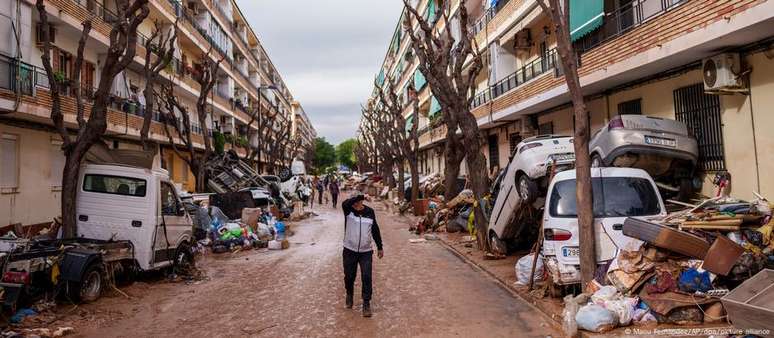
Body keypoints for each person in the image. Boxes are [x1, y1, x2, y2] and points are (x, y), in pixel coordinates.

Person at [341, 193, 383, 317]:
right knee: (349, 276)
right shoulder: (348, 210)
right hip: (349, 250)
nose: (354, 202)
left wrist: (380, 247)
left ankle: (366, 303)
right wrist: (361, 196)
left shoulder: (370, 212)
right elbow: (346, 203)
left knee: (366, 276)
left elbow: (375, 230)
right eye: (354, 200)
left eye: (356, 200)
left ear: (361, 202)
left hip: (366, 251)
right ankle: (349, 293)